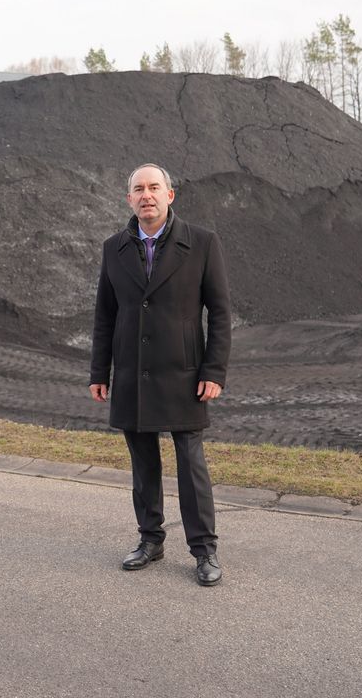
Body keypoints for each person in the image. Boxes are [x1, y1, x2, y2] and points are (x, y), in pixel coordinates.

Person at [90, 163, 232, 586]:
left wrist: (214, 369)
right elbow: (104, 315)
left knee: (190, 464)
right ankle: (150, 539)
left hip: (184, 373)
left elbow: (221, 313)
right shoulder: (113, 248)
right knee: (143, 462)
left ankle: (204, 550)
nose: (146, 195)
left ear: (171, 195)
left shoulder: (203, 243)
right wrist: (101, 370)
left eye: (155, 187)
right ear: (129, 199)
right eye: (139, 189)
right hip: (133, 372)